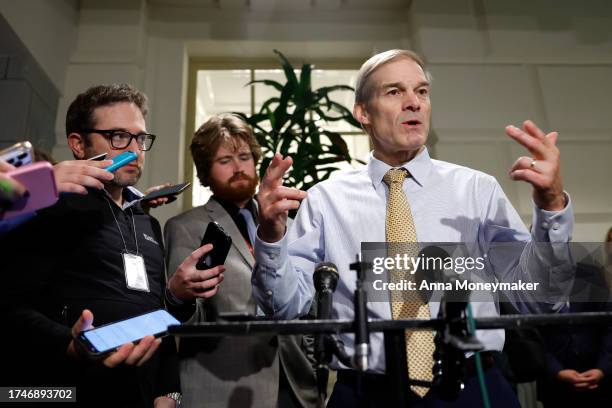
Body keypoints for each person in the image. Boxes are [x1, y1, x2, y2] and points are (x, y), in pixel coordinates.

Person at [251, 49, 574, 407]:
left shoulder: (476, 191)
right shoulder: (326, 200)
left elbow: (541, 299)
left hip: (473, 388)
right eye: (394, 92)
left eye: (421, 92)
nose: (413, 103)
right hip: (366, 394)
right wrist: (270, 235)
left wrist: (551, 208)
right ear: (363, 113)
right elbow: (284, 308)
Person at [1, 84, 222, 408]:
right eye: (118, 137)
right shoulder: (47, 209)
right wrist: (70, 345)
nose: (134, 150)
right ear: (78, 144)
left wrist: (168, 392)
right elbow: (9, 306)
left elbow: (154, 315)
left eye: (140, 138)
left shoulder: (148, 222)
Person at [164, 114, 317, 408]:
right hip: (225, 386)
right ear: (205, 171)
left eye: (245, 157)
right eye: (225, 161)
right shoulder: (184, 227)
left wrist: (312, 360)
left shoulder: (289, 222)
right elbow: (187, 318)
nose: (238, 167)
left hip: (296, 384)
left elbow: (308, 304)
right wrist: (180, 298)